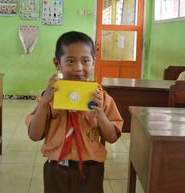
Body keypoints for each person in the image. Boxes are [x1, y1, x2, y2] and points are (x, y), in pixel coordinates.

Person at [25, 31, 123, 193]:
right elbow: (35, 135)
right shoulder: (48, 97)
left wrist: (100, 114)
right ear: (57, 63)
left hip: (91, 169)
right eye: (70, 61)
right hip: (56, 169)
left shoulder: (101, 97)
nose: (78, 68)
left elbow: (112, 137)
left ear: (93, 63)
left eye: (85, 61)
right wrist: (44, 103)